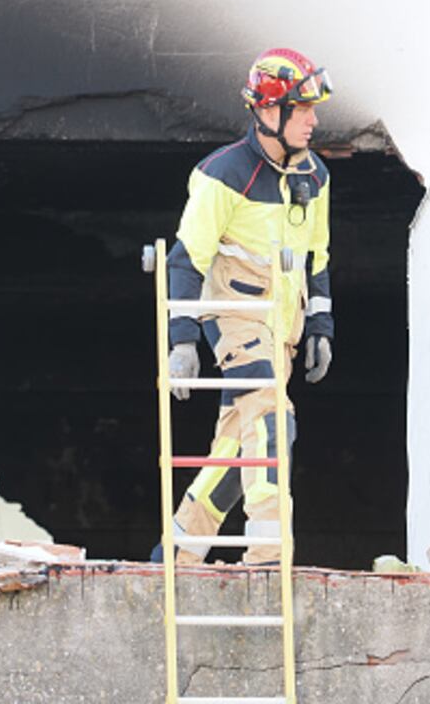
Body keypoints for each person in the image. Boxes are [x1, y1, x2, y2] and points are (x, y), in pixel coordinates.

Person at [153, 48, 335, 566]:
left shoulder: (316, 177)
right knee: (273, 420)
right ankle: (267, 552)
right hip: (235, 315)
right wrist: (183, 340)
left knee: (236, 449)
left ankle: (177, 553)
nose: (313, 120)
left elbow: (316, 258)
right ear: (269, 111)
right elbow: (187, 261)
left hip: (284, 324)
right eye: (302, 109)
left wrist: (320, 322)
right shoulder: (222, 174)